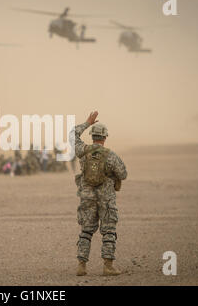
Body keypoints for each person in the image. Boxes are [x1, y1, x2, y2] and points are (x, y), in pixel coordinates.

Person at [73, 110, 127, 276]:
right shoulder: (111, 156)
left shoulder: (83, 151)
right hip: (106, 199)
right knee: (109, 231)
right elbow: (123, 174)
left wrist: (87, 122)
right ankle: (108, 266)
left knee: (86, 231)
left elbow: (72, 134)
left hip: (87, 197)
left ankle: (81, 266)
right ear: (105, 137)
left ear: (92, 136)